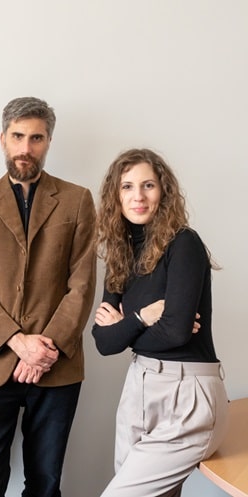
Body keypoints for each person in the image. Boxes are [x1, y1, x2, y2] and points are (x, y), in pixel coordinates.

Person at [0, 96, 97, 497]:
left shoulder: (77, 200)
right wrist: (19, 343)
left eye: (36, 138)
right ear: (2, 139)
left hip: (57, 363)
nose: (26, 148)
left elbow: (82, 283)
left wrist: (43, 348)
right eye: (18, 136)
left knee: (45, 482)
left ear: (49, 141)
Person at [91, 149, 228, 497]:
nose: (138, 196)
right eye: (127, 186)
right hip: (138, 385)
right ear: (116, 195)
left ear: (163, 191)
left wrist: (126, 326)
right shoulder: (121, 255)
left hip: (188, 394)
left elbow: (177, 332)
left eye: (148, 185)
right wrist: (143, 317)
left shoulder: (184, 243)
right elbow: (104, 343)